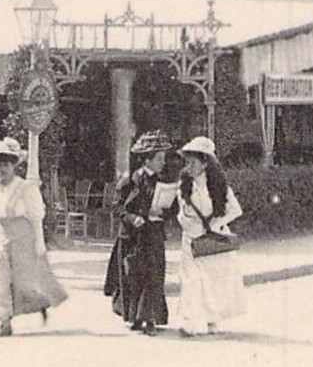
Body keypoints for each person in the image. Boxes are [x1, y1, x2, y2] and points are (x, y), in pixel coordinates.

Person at [0, 137, 66, 337]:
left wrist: (40, 244)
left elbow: (36, 218)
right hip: (1, 236)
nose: (2, 168)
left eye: (7, 164)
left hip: (23, 236)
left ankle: (41, 304)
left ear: (14, 165)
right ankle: (4, 323)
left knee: (25, 282)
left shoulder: (26, 188)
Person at [103, 132, 177, 335]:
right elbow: (117, 208)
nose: (163, 163)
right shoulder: (129, 182)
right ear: (147, 159)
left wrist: (164, 211)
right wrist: (133, 218)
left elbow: (172, 209)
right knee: (133, 277)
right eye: (159, 159)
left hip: (153, 236)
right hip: (132, 238)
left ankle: (150, 319)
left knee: (154, 277)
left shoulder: (163, 182)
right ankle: (135, 317)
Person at [175, 136, 248, 338]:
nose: (189, 166)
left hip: (213, 239)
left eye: (193, 162)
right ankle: (190, 322)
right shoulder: (184, 186)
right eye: (187, 161)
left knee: (213, 281)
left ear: (205, 163)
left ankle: (211, 318)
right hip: (191, 239)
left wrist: (214, 224)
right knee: (191, 279)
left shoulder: (219, 186)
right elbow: (181, 213)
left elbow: (235, 210)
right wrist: (187, 223)